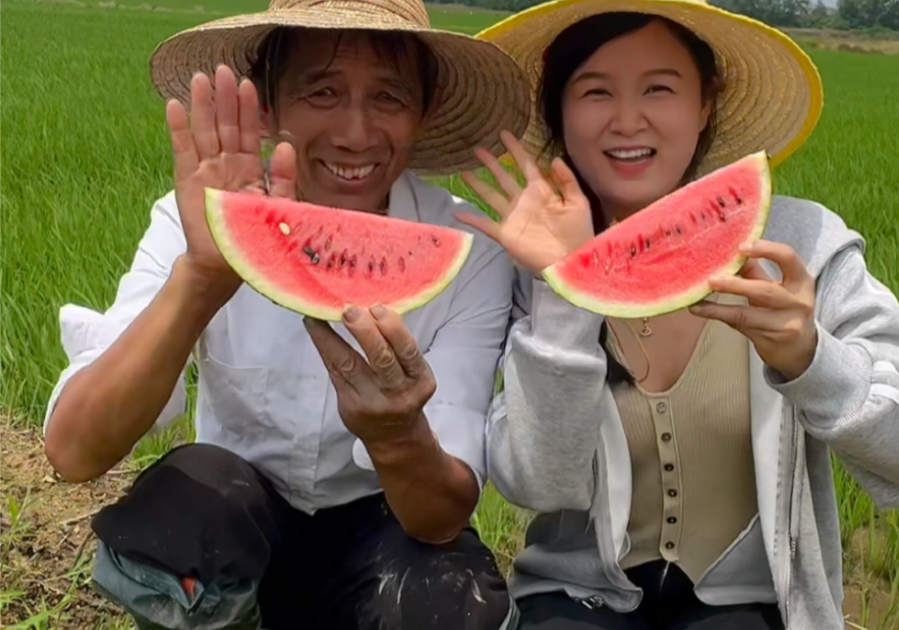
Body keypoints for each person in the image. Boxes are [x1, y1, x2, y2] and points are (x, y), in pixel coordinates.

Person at [458, 2, 899, 630]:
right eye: (594, 92)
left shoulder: (803, 246)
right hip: (577, 600)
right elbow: (534, 484)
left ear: (706, 103)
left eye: (660, 88)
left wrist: (813, 360)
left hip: (751, 605)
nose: (627, 120)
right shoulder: (527, 266)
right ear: (560, 113)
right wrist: (566, 295)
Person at [41, 0, 533, 628]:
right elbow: (76, 452)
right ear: (267, 105)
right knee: (180, 513)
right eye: (322, 91)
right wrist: (201, 280)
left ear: (423, 113)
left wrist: (397, 435)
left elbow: (439, 517)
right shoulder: (198, 219)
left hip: (383, 530)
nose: (356, 134)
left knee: (449, 600)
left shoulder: (466, 253)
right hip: (236, 527)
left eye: (388, 98)